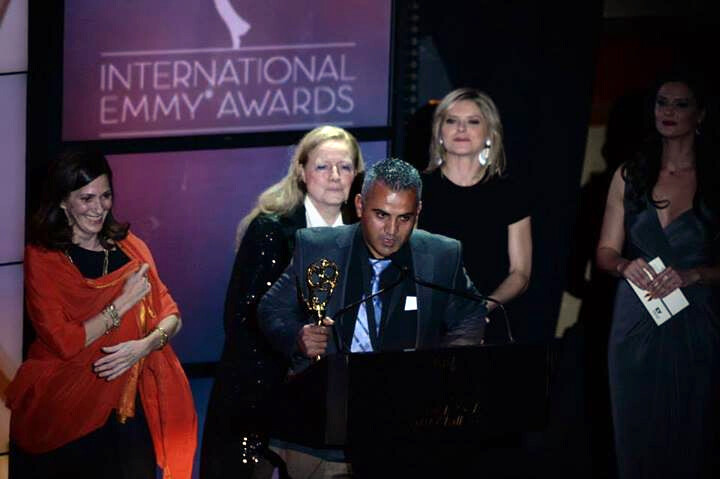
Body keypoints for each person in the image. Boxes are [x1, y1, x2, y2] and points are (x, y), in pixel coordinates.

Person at [257, 158, 486, 478]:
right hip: (322, 427)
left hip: (404, 433)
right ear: (361, 205)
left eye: (404, 218)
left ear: (418, 212)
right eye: (381, 215)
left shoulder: (440, 255)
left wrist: (443, 367)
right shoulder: (316, 247)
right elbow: (272, 309)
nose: (391, 231)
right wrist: (298, 335)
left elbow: (471, 312)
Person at [5, 151, 197, 479]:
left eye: (105, 196)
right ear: (63, 202)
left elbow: (171, 314)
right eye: (86, 198)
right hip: (65, 410)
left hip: (128, 406)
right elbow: (65, 342)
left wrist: (145, 345)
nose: (99, 208)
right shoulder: (44, 258)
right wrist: (121, 304)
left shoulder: (130, 246)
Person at [200, 126, 364, 479]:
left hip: (335, 398)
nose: (335, 177)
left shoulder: (366, 230)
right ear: (303, 173)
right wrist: (293, 343)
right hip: (261, 394)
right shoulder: (270, 229)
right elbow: (241, 318)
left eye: (345, 167)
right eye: (323, 166)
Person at [596, 71, 720, 478]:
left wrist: (695, 274)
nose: (668, 111)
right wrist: (622, 265)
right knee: (634, 436)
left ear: (699, 114)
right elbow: (605, 252)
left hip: (697, 317)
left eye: (680, 104)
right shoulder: (629, 175)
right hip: (636, 316)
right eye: (661, 102)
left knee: (691, 433)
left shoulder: (715, 180)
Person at [418, 88, 531, 339]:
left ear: (489, 133)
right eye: (452, 121)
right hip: (427, 319)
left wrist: (480, 308)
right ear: (439, 131)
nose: (461, 129)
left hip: (489, 318)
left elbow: (521, 272)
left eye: (472, 122)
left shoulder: (509, 192)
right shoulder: (416, 189)